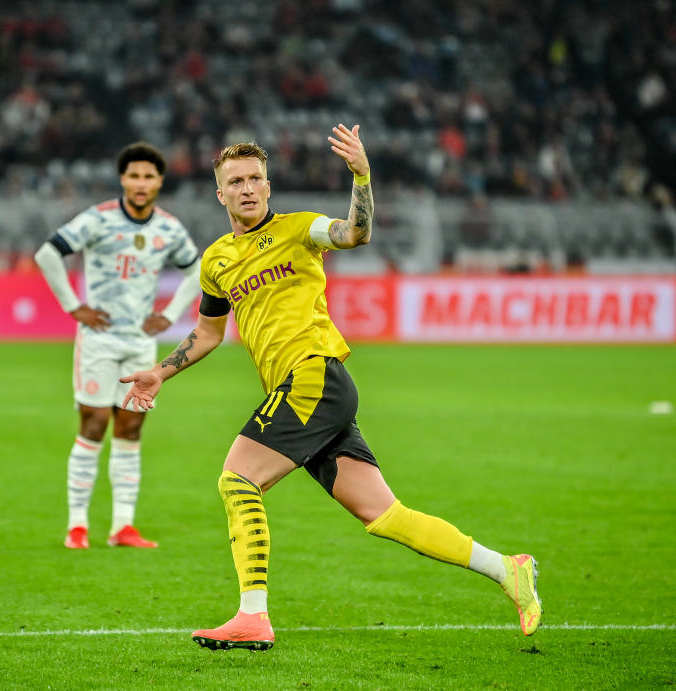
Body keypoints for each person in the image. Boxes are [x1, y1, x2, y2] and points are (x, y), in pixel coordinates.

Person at [121, 125, 542, 649]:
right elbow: (209, 332)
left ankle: (253, 614)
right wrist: (160, 372)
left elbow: (353, 233)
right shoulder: (217, 262)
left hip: (314, 377)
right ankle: (509, 569)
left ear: (268, 187)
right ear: (220, 193)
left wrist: (361, 175)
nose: (248, 188)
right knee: (385, 515)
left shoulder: (300, 229)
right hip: (309, 393)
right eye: (237, 181)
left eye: (256, 178)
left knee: (237, 480)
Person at [35, 142, 201, 549]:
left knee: (130, 427)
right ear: (122, 179)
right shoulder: (98, 219)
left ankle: (122, 526)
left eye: (148, 176)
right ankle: (77, 526)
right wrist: (75, 307)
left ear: (159, 181)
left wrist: (171, 312)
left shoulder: (168, 228)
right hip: (98, 342)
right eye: (134, 175)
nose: (141, 183)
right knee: (93, 425)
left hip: (140, 344)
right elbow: (47, 254)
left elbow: (199, 269)